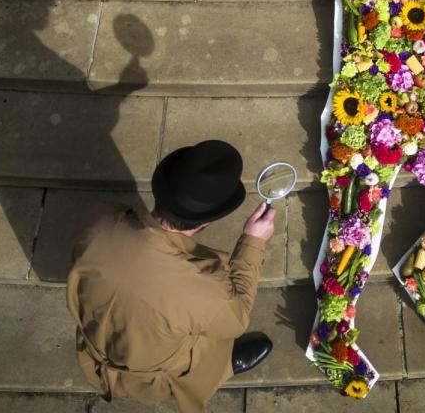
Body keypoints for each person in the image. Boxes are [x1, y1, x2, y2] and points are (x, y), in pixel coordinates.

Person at [66, 140, 276, 413]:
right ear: (206, 223)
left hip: (97, 336)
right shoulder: (201, 291)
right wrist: (253, 241)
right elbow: (236, 320)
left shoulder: (100, 217)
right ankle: (223, 365)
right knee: (207, 344)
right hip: (156, 365)